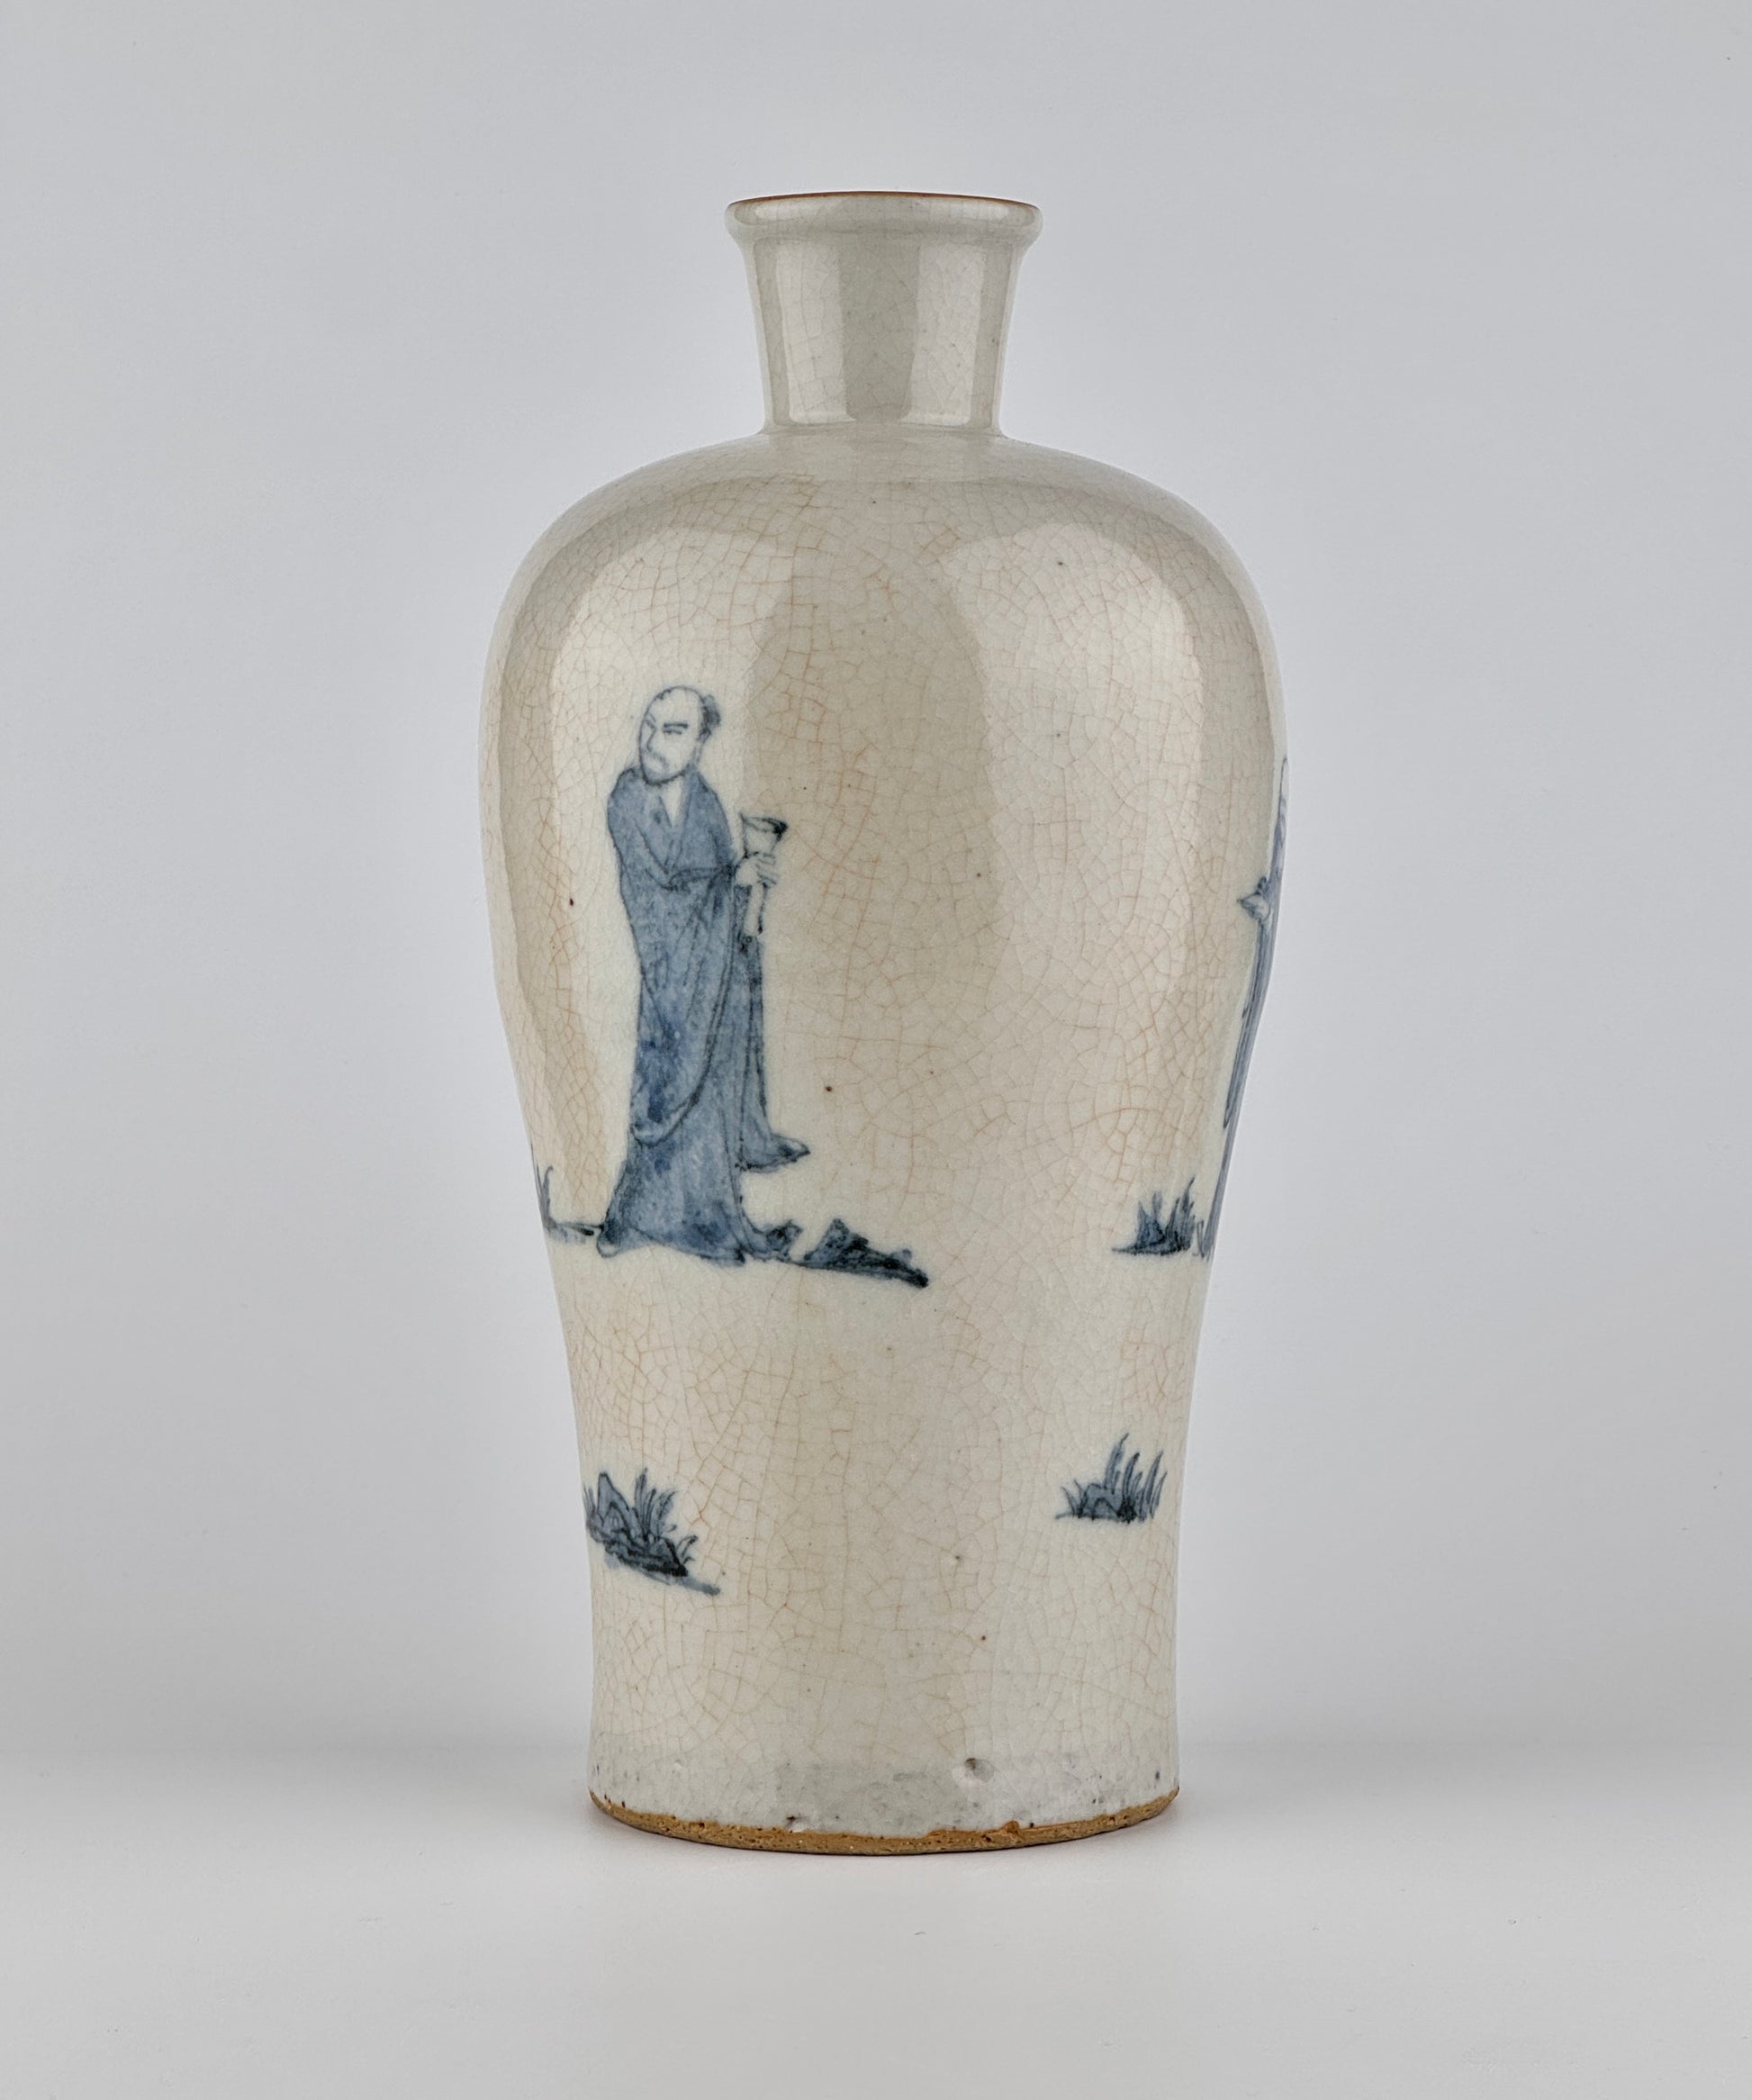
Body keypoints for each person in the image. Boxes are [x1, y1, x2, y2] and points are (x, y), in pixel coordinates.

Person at [597, 686, 808, 1264]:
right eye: (649, 726)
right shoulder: (626, 799)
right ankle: (641, 1217)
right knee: (667, 1082)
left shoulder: (707, 803)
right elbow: (656, 902)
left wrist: (746, 891)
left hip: (713, 980)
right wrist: (731, 884)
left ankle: (710, 1215)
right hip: (671, 981)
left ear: (699, 743)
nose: (653, 742)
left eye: (673, 731)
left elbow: (721, 897)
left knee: (714, 1076)